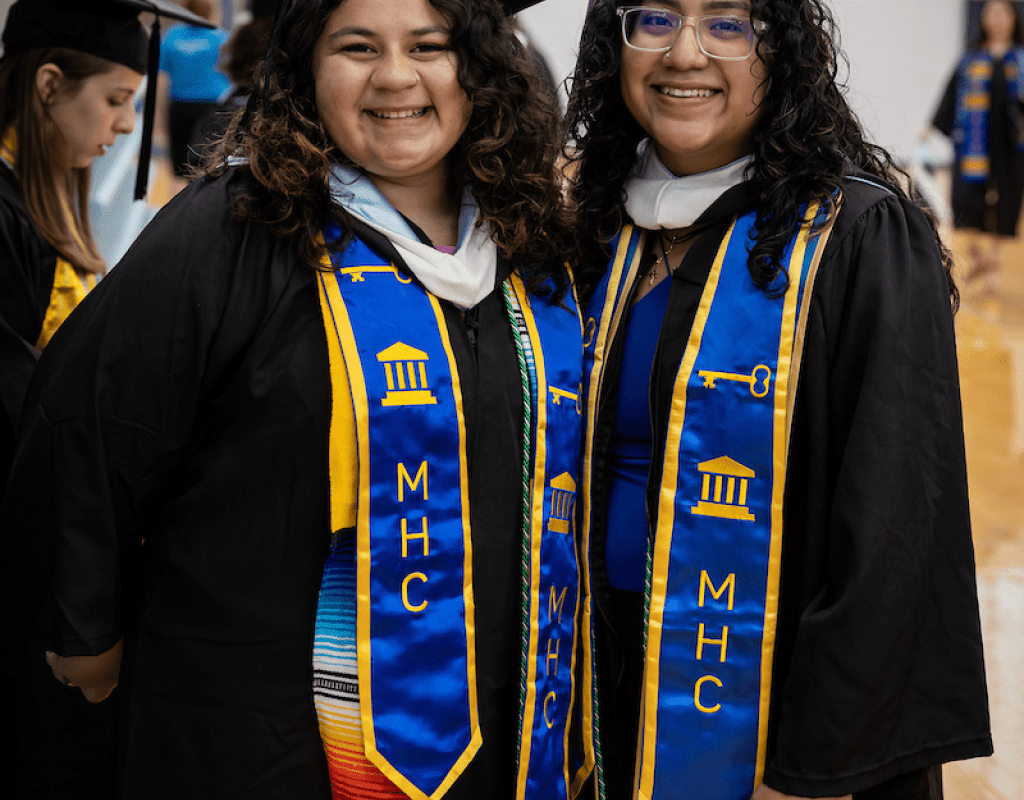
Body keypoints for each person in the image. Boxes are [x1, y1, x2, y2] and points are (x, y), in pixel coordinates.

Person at [1, 0, 585, 798]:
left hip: (494, 739)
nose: (395, 76)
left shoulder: (532, 253)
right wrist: (87, 629)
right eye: (356, 46)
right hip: (251, 737)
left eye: (430, 46)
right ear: (307, 69)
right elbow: (89, 423)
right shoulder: (237, 229)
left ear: (481, 66)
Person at [564, 2, 993, 799]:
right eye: (653, 18)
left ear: (782, 50)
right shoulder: (593, 231)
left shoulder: (858, 235)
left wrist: (815, 771)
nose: (684, 53)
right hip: (592, 694)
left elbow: (897, 529)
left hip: (775, 712)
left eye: (728, 23)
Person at [928, 0, 1024, 290]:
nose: (996, 20)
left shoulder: (1021, 59)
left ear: (1013, 18)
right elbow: (950, 94)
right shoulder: (970, 59)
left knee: (1005, 204)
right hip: (974, 145)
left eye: (1002, 13)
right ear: (982, 19)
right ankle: (979, 257)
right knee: (965, 203)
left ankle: (992, 265)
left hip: (1010, 146)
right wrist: (932, 126)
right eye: (990, 13)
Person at [158, 0, 231, 177]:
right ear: (212, 12)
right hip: (211, 110)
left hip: (179, 107)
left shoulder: (172, 37)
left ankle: (173, 203)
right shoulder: (220, 38)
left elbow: (161, 80)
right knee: (209, 169)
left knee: (178, 170)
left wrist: (159, 121)